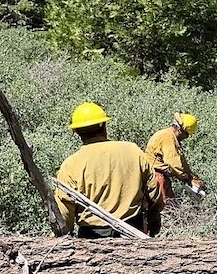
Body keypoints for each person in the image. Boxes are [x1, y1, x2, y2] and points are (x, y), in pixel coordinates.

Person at [55, 102, 165, 238]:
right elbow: (153, 190)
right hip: (132, 231)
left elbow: (65, 211)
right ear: (104, 125)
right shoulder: (133, 151)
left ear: (76, 131)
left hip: (92, 237)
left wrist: (65, 236)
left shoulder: (70, 165)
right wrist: (155, 213)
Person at [146, 113, 204, 204]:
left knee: (170, 204)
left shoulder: (172, 138)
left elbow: (181, 162)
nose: (186, 138)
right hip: (155, 176)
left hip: (161, 175)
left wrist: (192, 177)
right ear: (180, 130)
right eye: (187, 135)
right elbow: (174, 164)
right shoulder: (167, 137)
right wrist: (188, 179)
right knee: (164, 207)